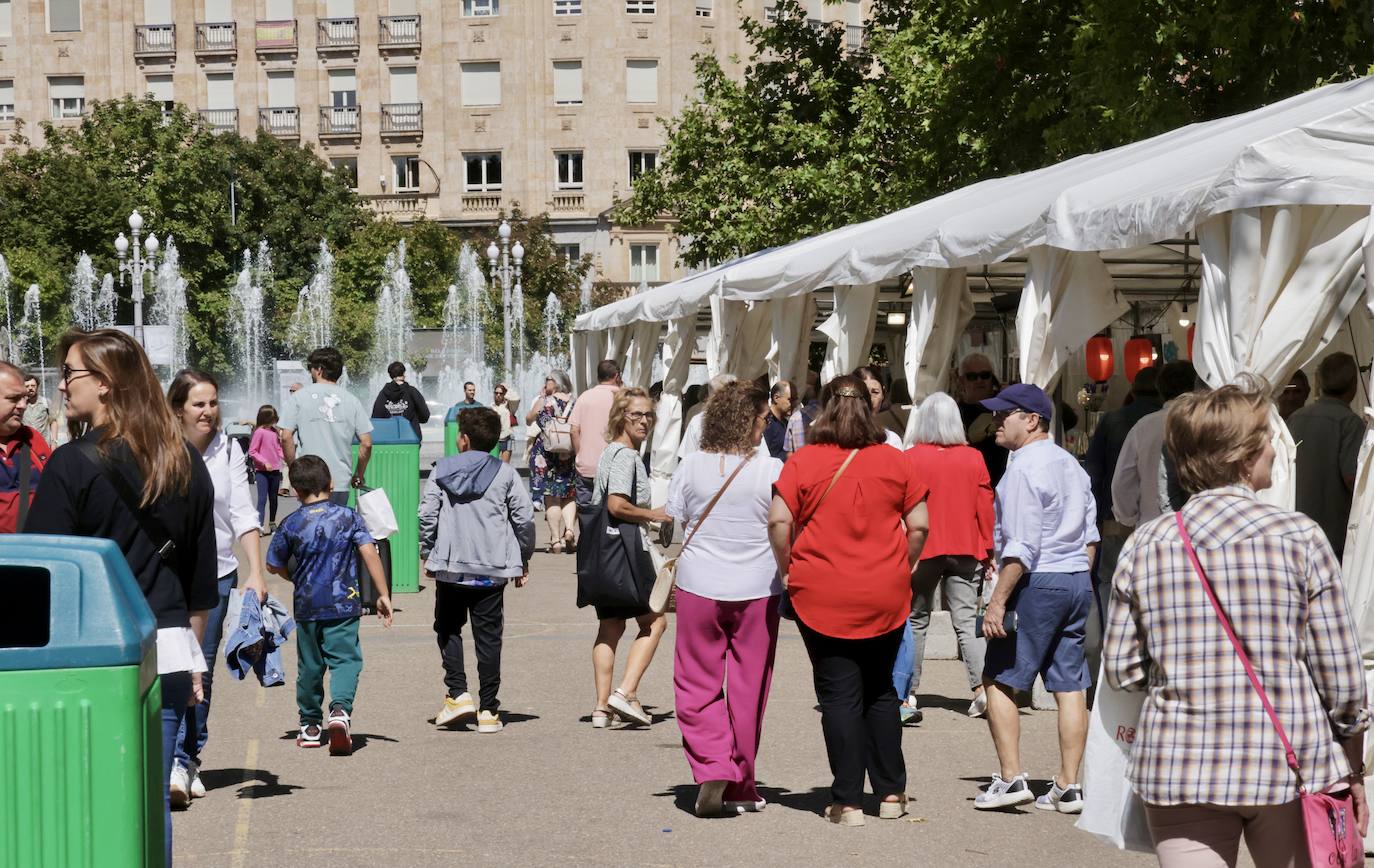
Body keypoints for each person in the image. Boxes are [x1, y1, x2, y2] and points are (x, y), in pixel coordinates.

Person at [1104, 379, 1369, 866]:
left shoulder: (1146, 544)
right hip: (1290, 762)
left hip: (1180, 763)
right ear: (1244, 455)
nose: (1274, 449)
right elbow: (1343, 680)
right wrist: (1352, 762)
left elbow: (1122, 669)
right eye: (1267, 438)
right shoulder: (1300, 538)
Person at [26, 328, 217, 865]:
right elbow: (200, 583)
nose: (61, 385)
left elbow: (42, 579)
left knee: (82, 802)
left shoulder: (71, 465)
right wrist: (193, 662)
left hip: (89, 656)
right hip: (170, 650)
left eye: (70, 374)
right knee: (147, 798)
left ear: (106, 385)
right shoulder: (185, 461)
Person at [769, 374, 929, 826]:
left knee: (839, 694)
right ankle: (892, 794)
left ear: (824, 410)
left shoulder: (804, 460)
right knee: (881, 689)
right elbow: (919, 525)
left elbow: (779, 522)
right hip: (884, 588)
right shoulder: (895, 461)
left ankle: (848, 801)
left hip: (821, 590)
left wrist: (787, 567)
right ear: (868, 408)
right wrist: (906, 564)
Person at [975, 383, 1097, 814]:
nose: (995, 421)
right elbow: (1091, 537)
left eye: (1003, 413)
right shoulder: (1071, 465)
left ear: (1031, 420)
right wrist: (1077, 574)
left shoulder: (1022, 469)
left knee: (1000, 678)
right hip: (1075, 578)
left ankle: (1010, 778)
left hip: (1037, 580)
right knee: (1070, 684)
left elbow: (1021, 547)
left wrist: (997, 602)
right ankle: (1069, 784)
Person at [666, 381, 784, 817]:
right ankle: (743, 784)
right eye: (762, 419)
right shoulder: (772, 471)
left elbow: (674, 519)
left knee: (695, 681)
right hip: (758, 588)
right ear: (748, 421)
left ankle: (712, 762)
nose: (765, 427)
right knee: (749, 686)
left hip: (700, 584)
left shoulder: (692, 465)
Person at [165, 370, 267, 809]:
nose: (208, 412)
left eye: (213, 403)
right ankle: (167, 756)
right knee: (169, 667)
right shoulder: (160, 448)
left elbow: (243, 514)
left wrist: (256, 572)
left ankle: (186, 757)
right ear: (177, 409)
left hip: (217, 574)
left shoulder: (230, 450)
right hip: (165, 576)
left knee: (199, 671)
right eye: (198, 404)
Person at [265, 455, 393, 755]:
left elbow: (273, 565)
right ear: (331, 483)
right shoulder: (348, 517)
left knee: (310, 665)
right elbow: (369, 552)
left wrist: (294, 577)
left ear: (296, 490)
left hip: (307, 605)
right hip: (343, 603)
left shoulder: (291, 523)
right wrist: (382, 593)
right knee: (346, 660)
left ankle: (310, 725)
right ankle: (339, 711)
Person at [420, 407, 535, 733]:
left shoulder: (441, 470)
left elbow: (427, 513)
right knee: (489, 639)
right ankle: (488, 710)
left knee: (447, 628)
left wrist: (428, 552)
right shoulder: (506, 473)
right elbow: (524, 519)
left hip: (452, 567)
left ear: (464, 439)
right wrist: (523, 557)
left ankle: (458, 693)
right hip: (492, 568)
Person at [898, 392, 993, 723]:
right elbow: (985, 508)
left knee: (915, 620)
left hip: (922, 549)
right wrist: (990, 548)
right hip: (966, 547)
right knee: (967, 622)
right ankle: (982, 690)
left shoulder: (910, 458)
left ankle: (907, 692)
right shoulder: (973, 458)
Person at [589, 386, 669, 729]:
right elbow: (616, 505)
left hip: (603, 553)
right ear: (621, 416)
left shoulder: (609, 452)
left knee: (610, 626)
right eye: (636, 414)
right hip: (625, 550)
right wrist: (654, 514)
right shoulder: (626, 456)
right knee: (655, 621)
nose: (644, 421)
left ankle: (601, 708)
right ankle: (626, 690)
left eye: (649, 415)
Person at [1288, 352, 1365, 558]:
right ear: (1353, 384)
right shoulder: (1350, 423)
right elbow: (1352, 478)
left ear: (1319, 382)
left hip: (1295, 529)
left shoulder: (1295, 418)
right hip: (1334, 537)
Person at [279, 347, 373, 506]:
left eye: (311, 368)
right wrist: (358, 474)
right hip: (339, 479)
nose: (310, 373)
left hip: (309, 478)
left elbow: (286, 436)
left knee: (312, 526)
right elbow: (366, 443)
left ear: (319, 370)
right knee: (336, 526)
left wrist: (294, 469)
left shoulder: (298, 398)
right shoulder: (352, 400)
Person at [1111, 361, 1198, 529]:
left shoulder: (1144, 427)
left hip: (1152, 528)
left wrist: (1128, 517)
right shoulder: (1209, 424)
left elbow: (1122, 481)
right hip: (1200, 529)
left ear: (1161, 391)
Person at [527, 370, 578, 553]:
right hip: (569, 453)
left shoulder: (546, 401)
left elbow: (529, 419)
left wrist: (541, 398)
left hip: (546, 454)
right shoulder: (575, 402)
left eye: (548, 379)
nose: (545, 382)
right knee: (569, 494)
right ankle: (570, 530)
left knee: (552, 496)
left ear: (555, 383)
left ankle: (556, 541)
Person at [0, 363, 51, 533]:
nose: (23, 405)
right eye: (14, 398)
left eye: (24, 398)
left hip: (35, 552)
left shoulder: (33, 438)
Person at [569, 359, 622, 507]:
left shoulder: (584, 396)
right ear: (617, 376)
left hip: (587, 466)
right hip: (615, 467)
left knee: (587, 516)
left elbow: (574, 431)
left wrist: (580, 455)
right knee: (612, 517)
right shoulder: (622, 398)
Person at [956, 353, 1009, 485]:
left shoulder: (1006, 405)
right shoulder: (954, 412)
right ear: (962, 381)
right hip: (969, 483)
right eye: (972, 377)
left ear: (992, 379)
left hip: (1003, 482)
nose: (979, 380)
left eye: (985, 375)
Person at [248, 405, 285, 533]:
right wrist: (264, 462)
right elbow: (252, 451)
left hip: (275, 471)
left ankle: (272, 522)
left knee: (274, 498)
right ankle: (259, 525)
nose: (274, 421)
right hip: (262, 472)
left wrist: (284, 457)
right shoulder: (259, 432)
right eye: (272, 419)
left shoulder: (274, 432)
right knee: (262, 499)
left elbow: (278, 448)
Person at [370, 361, 430, 438]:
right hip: (411, 438)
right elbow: (425, 415)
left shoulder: (383, 394)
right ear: (404, 373)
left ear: (390, 375)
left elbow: (376, 419)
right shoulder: (412, 391)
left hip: (389, 438)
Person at [855, 366, 907, 444]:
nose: (870, 399)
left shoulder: (891, 439)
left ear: (883, 394)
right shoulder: (836, 435)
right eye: (863, 393)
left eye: (875, 392)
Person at [762, 379, 793, 461]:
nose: (793, 404)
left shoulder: (786, 422)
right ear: (776, 398)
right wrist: (788, 455)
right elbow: (763, 457)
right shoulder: (765, 423)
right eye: (789, 400)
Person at [21, 374, 53, 441]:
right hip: (26, 444)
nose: (30, 388)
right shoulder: (21, 405)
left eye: (33, 386)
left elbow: (53, 422)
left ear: (37, 386)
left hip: (44, 443)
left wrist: (54, 441)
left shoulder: (46, 402)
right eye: (27, 386)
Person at [493, 383, 516, 463]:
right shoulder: (491, 406)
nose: (498, 395)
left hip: (507, 438)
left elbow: (517, 399)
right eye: (496, 393)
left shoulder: (509, 405)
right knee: (492, 464)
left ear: (504, 394)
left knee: (505, 465)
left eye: (501, 393)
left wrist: (508, 388)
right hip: (494, 439)